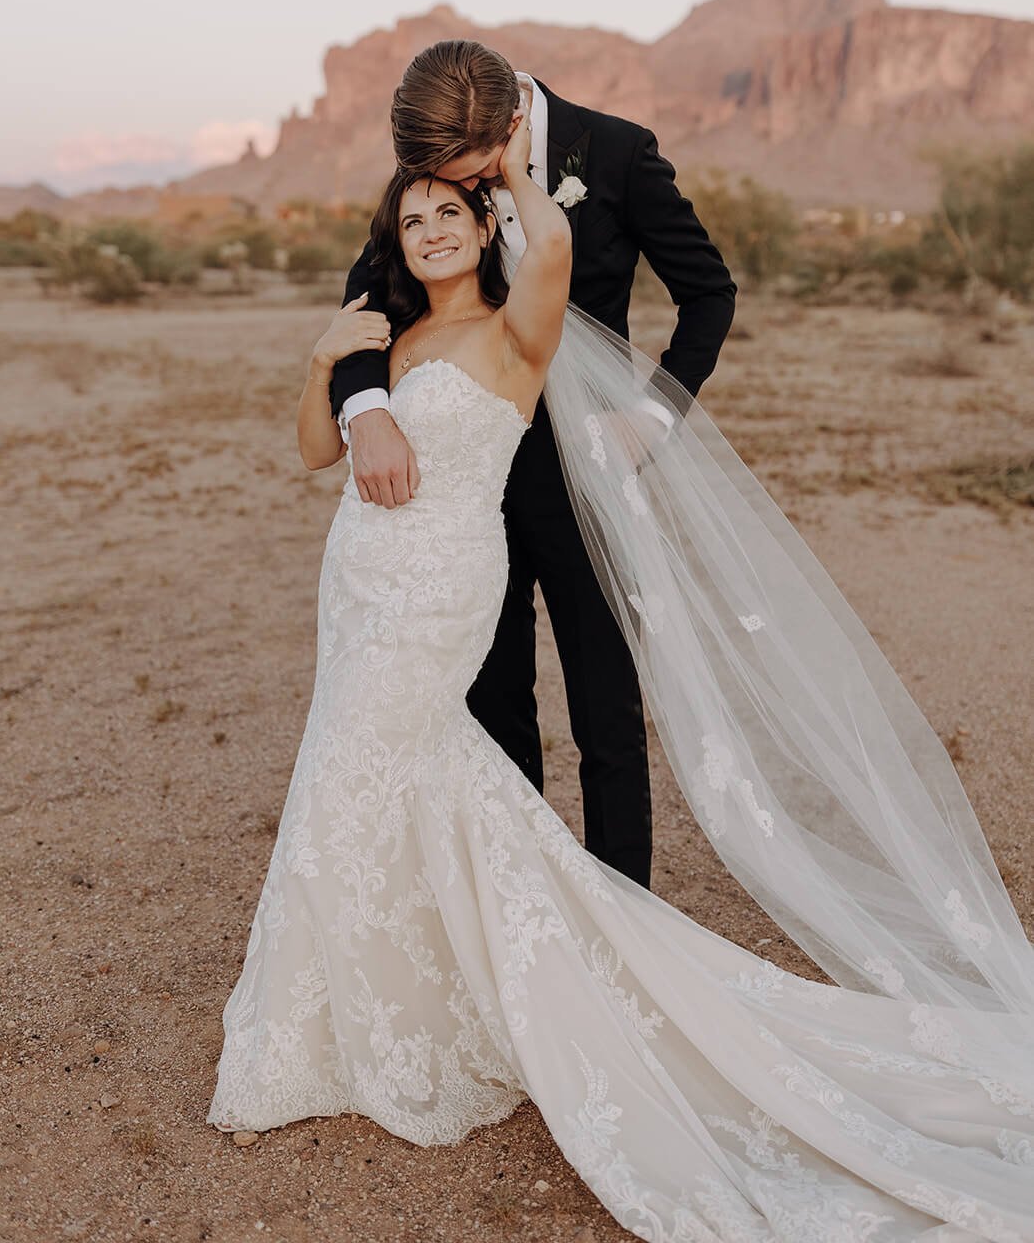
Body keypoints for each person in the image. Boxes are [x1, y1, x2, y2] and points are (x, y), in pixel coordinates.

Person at [206, 107, 1034, 1241]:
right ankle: (368, 997)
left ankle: (565, 951)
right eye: (414, 215)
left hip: (472, 556)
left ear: (485, 196)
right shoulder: (386, 337)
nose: (431, 227)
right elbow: (317, 442)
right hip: (359, 585)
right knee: (375, 767)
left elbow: (571, 255)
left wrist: (509, 178)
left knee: (468, 742)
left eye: (453, 208)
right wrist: (331, 374)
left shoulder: (517, 322)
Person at [329, 40, 738, 889]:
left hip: (582, 471)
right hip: (462, 481)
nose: (463, 189)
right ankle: (515, 905)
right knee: (485, 695)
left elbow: (709, 291)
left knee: (605, 707)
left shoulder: (616, 150)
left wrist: (652, 412)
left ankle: (625, 911)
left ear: (509, 124)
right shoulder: (439, 154)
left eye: (474, 170)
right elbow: (365, 297)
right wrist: (366, 412)